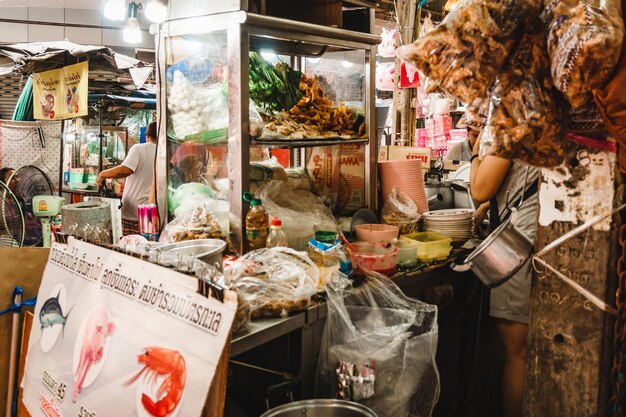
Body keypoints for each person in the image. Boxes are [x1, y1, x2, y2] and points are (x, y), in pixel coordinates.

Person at [470, 138, 539, 417]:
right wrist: (490, 206)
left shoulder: (512, 120)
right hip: (533, 229)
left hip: (519, 239)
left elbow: (480, 188)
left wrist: (474, 152)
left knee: (516, 352)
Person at [97, 122, 157, 236]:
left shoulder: (139, 148)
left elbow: (126, 170)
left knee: (131, 247)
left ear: (147, 134)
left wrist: (102, 174)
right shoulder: (164, 152)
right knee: (147, 247)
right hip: (153, 212)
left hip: (133, 212)